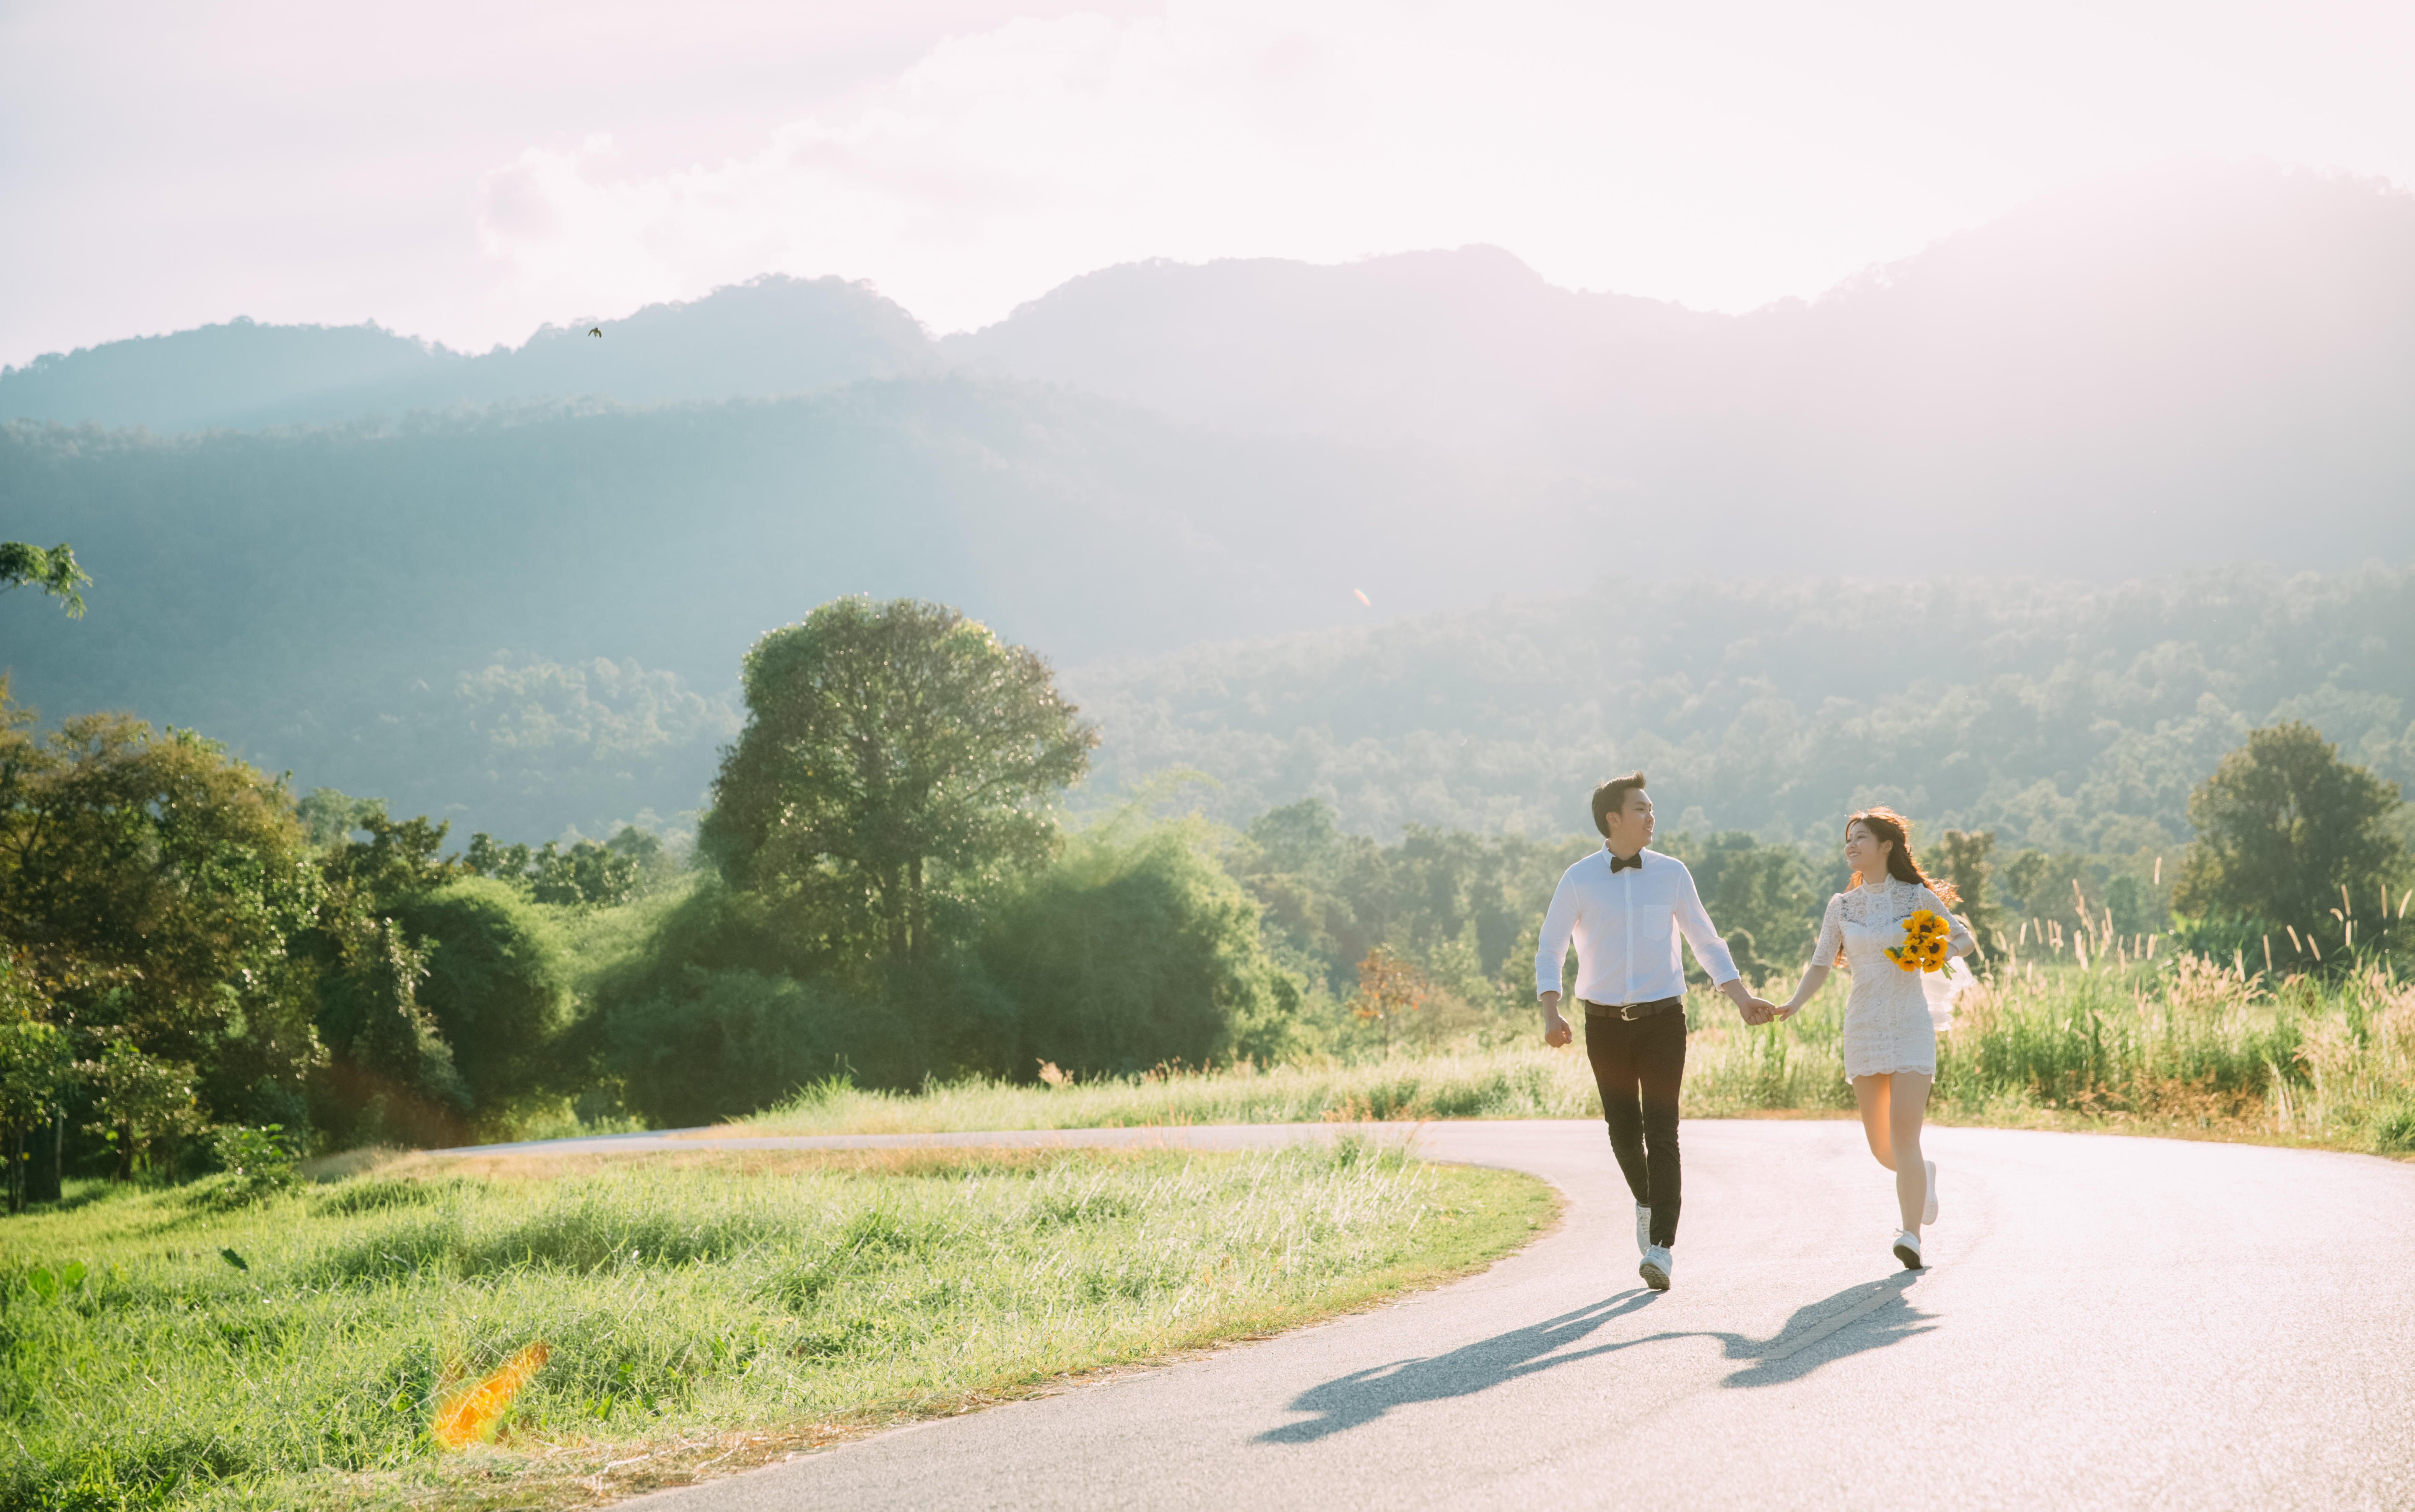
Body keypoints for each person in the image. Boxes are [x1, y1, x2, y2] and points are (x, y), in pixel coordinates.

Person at [1536, 772, 1776, 1293]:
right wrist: (1550, 1011)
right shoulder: (1577, 878)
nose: (1652, 817)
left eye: (1652, 808)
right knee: (1623, 1131)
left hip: (1665, 1020)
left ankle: (1662, 1247)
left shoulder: (1672, 874)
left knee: (1662, 1128)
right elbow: (1551, 947)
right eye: (1641, 809)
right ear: (1613, 819)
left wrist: (1741, 998)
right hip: (1603, 1025)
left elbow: (1705, 941)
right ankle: (1647, 1201)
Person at [1771, 807, 1975, 1271]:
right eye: (1848, 839)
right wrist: (1794, 1003)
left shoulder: (1916, 897)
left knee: (1905, 1134)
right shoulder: (1841, 907)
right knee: (1883, 1148)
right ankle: (1923, 1176)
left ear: (1886, 846)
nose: (1851, 846)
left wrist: (1933, 949)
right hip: (1863, 1026)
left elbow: (1964, 941)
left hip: (1910, 1025)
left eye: (1860, 838)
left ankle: (1911, 1236)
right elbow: (1821, 962)